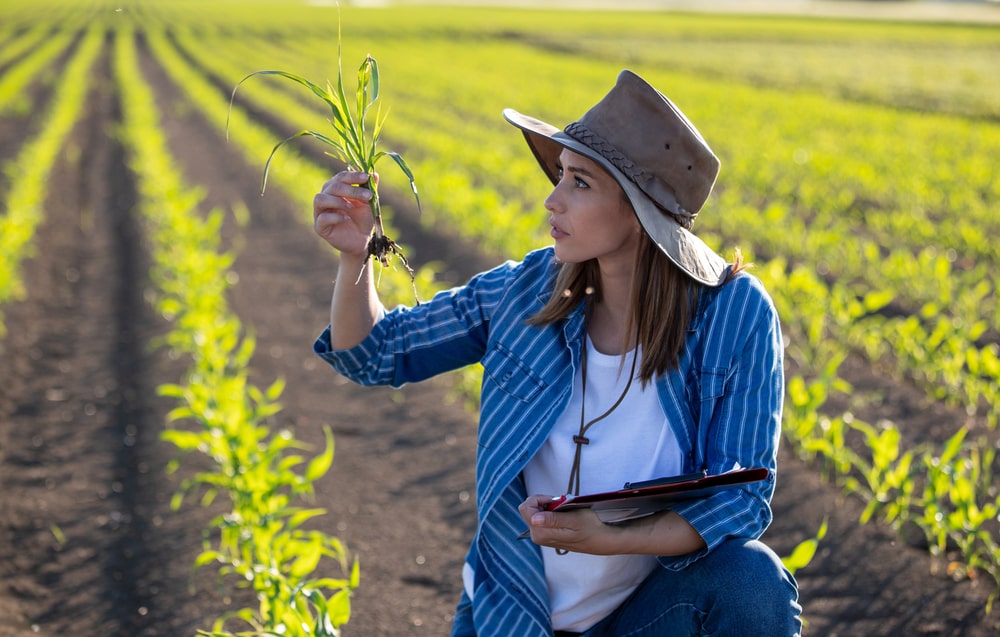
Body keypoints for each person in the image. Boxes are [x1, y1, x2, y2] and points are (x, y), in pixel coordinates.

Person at [312, 69, 802, 636]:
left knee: (750, 580)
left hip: (644, 615)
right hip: (513, 616)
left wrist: (612, 539)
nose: (553, 199)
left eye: (581, 183)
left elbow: (740, 500)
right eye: (561, 176)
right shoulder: (524, 290)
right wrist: (356, 257)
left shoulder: (733, 315)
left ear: (640, 216)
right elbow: (374, 352)